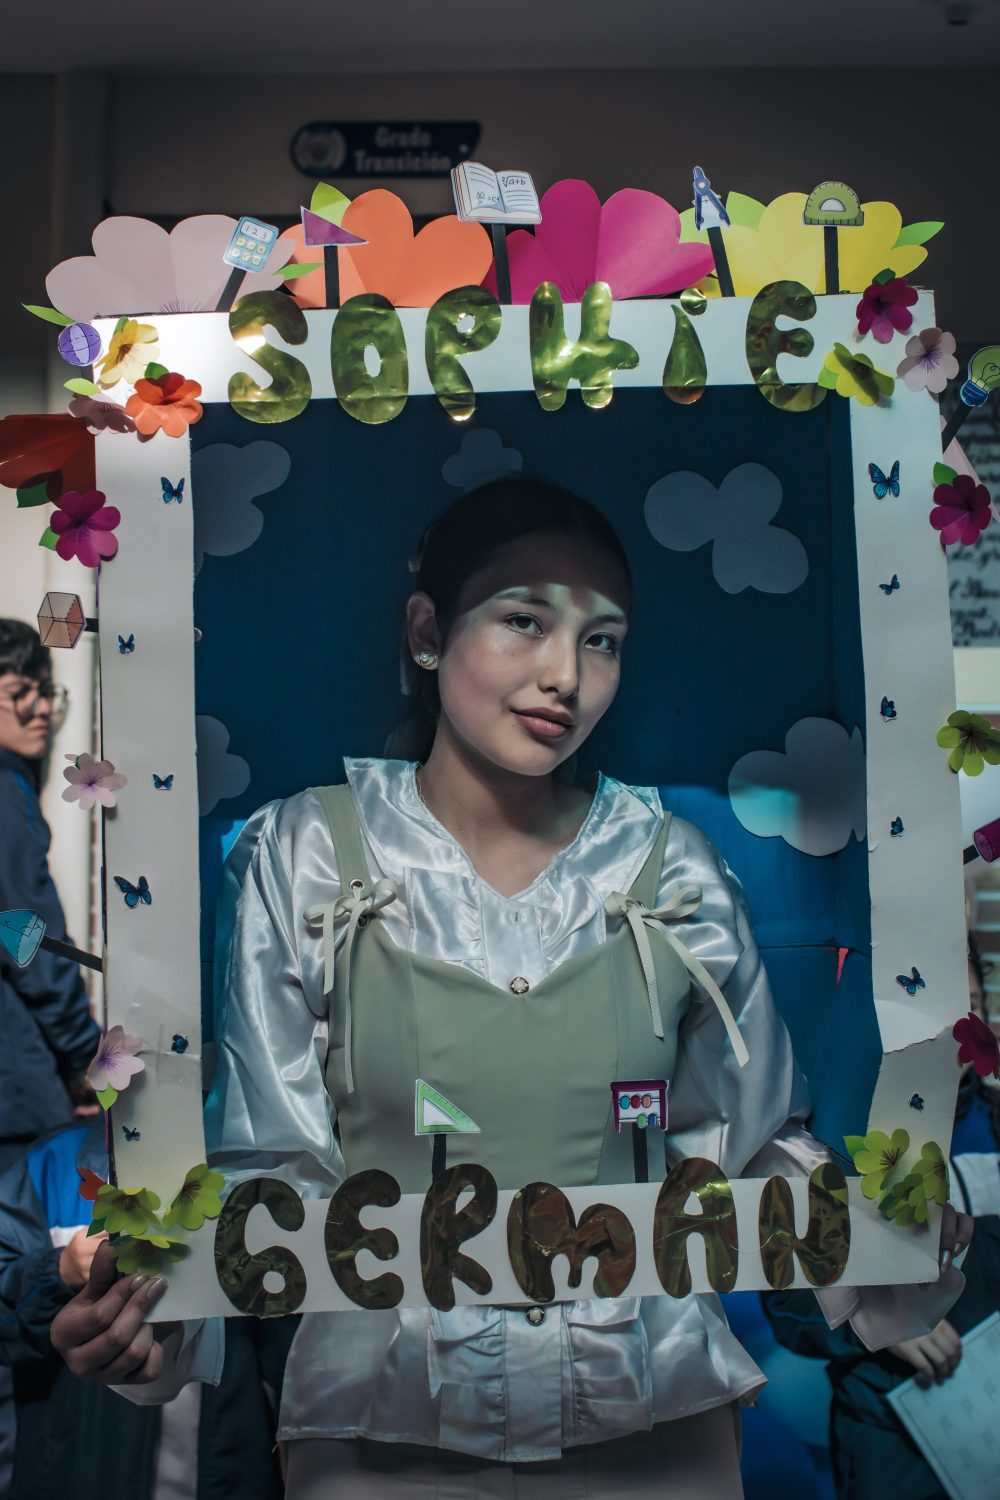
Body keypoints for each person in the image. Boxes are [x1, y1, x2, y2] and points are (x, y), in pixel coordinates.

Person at [49, 479, 973, 1499]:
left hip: (653, 1411)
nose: (565, 676)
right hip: (380, 1423)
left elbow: (750, 1141)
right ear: (427, 631)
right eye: (524, 620)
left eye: (603, 641)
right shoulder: (303, 853)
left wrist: (892, 1255)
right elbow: (268, 1158)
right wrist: (159, 1322)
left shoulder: (673, 867)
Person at [762, 938, 999, 1500]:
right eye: (930, 1003)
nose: (953, 1026)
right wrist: (877, 1321)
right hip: (892, 1440)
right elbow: (787, 1305)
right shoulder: (823, 1146)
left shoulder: (994, 1126)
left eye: (968, 1003)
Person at [0, 1116, 294, 1499]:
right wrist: (57, 1270)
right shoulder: (55, 1163)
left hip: (225, 1462)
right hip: (80, 1466)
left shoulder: (256, 1161)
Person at [0, 619, 100, 1172]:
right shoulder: (4, 792)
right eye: (20, 693)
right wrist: (84, 1054)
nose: (40, 709)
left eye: (46, 692)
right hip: (16, 1092)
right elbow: (27, 939)